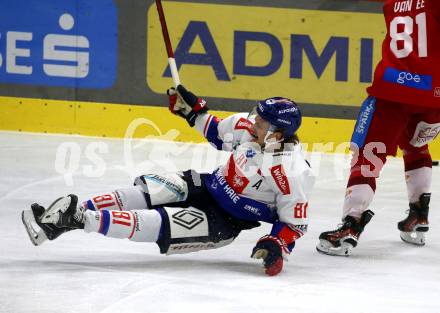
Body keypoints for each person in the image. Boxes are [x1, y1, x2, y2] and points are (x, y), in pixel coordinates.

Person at [22, 85, 315, 276]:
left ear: (277, 134)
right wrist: (194, 111)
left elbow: (294, 224)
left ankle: (78, 219)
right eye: (256, 116)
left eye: (261, 123)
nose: (253, 123)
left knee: (158, 222)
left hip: (224, 222)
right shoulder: (245, 129)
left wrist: (277, 243)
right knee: (147, 191)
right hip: (206, 184)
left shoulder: (293, 172)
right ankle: (56, 218)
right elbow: (215, 132)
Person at [317, 0, 440, 256]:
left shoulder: (391, 3)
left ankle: (352, 224)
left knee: (367, 155)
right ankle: (419, 215)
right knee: (416, 148)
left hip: (392, 92)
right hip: (433, 97)